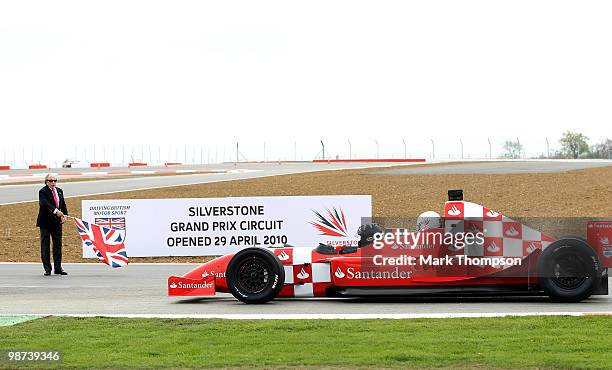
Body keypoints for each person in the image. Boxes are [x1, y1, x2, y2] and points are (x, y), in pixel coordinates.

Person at [36, 174, 68, 276]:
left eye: (55, 180)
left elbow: (63, 204)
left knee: (57, 245)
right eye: (51, 181)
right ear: (46, 181)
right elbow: (44, 203)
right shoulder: (43, 191)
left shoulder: (59, 190)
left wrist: (65, 215)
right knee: (45, 246)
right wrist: (55, 211)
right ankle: (47, 269)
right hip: (45, 222)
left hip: (57, 222)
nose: (53, 182)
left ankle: (58, 268)